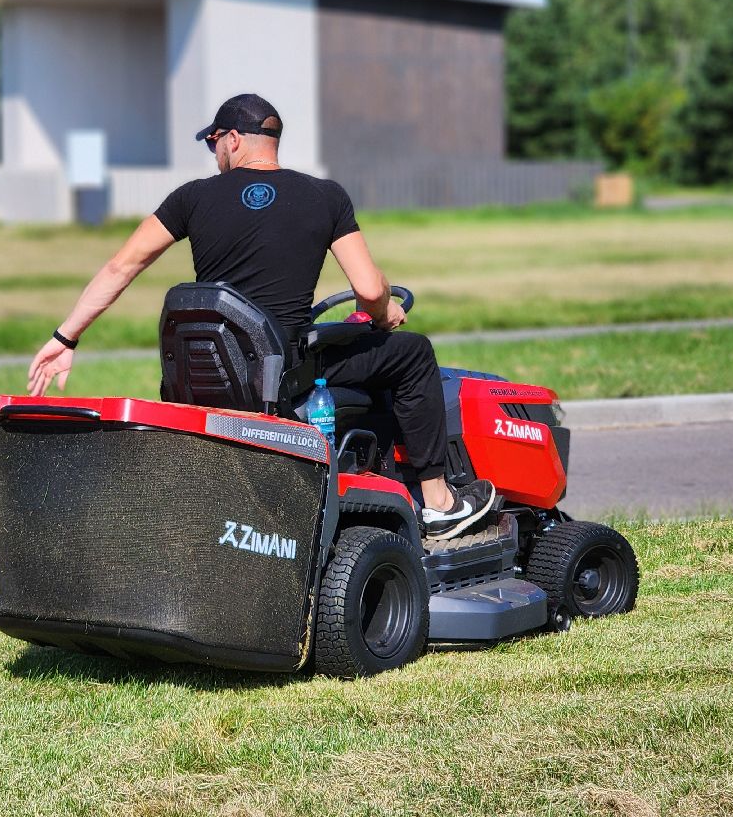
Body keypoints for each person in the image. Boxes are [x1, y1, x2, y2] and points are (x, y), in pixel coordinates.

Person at [26, 93, 499, 540]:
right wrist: (382, 312)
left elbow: (120, 267)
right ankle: (438, 502)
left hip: (212, 371)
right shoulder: (324, 196)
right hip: (286, 373)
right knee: (413, 353)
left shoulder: (191, 198)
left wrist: (65, 339)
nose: (214, 154)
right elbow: (371, 289)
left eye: (213, 142)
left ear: (232, 139)